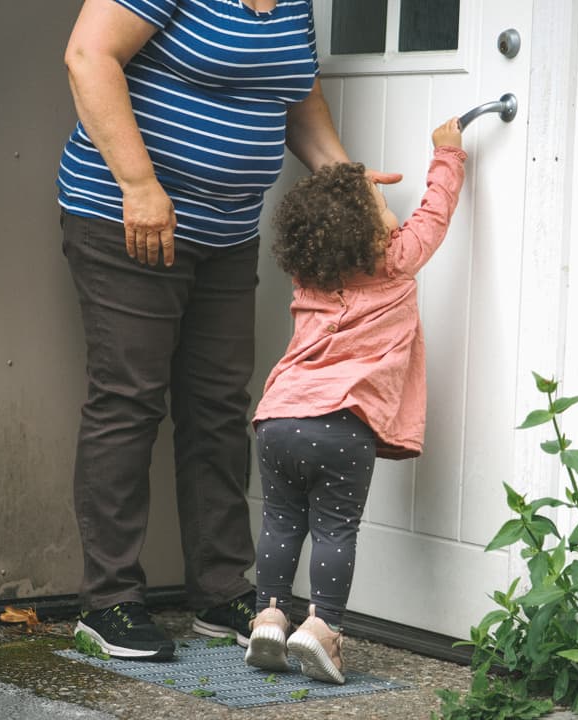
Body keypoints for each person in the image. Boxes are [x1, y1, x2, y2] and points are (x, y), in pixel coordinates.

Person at [57, 0, 399, 661]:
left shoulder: (294, 5)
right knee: (128, 400)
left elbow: (301, 106)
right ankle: (109, 601)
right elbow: (88, 56)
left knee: (218, 408)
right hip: (128, 217)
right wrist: (139, 183)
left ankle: (219, 589)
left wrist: (352, 185)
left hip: (227, 233)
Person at [243, 118, 467, 683]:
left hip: (278, 418)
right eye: (383, 209)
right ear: (370, 233)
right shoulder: (395, 260)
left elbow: (334, 222)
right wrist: (447, 155)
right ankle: (322, 629)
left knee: (280, 524)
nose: (394, 215)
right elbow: (434, 214)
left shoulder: (307, 270)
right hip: (342, 424)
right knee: (336, 530)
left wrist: (349, 188)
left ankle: (268, 617)